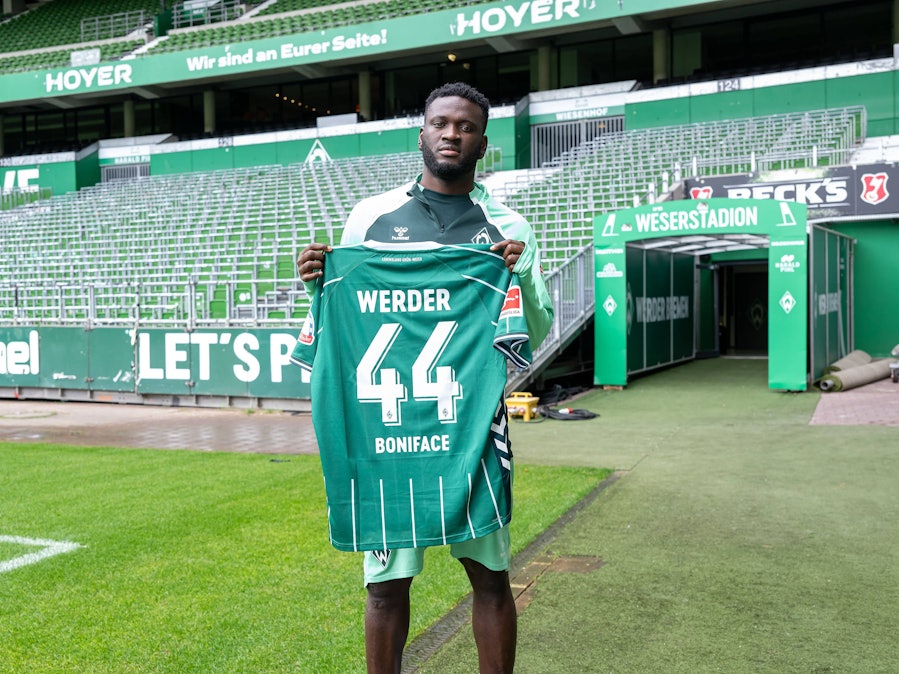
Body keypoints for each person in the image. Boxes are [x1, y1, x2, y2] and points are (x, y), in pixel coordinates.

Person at [295, 82, 553, 673]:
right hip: (387, 433)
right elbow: (344, 319)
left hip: (470, 428)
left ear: (483, 144)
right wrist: (317, 283)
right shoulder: (370, 218)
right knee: (385, 589)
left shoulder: (508, 227)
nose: (451, 134)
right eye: (440, 123)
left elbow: (529, 331)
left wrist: (522, 276)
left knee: (490, 578)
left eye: (465, 127)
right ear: (422, 133)